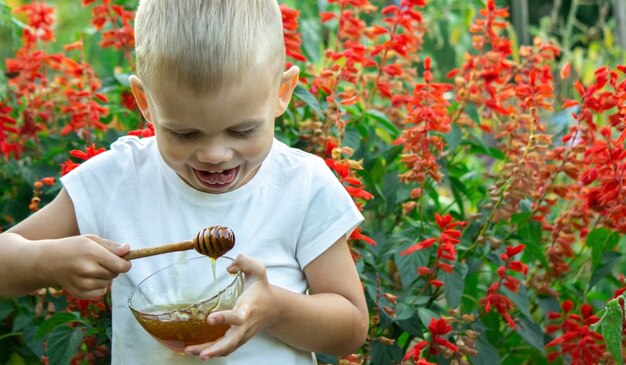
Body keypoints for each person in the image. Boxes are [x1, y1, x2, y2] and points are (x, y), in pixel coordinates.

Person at [0, 0, 369, 363]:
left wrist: (277, 310)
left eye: (242, 130)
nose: (215, 154)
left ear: (282, 93)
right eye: (185, 134)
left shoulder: (302, 185)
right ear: (146, 102)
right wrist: (44, 261)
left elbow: (350, 328)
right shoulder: (117, 179)